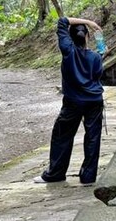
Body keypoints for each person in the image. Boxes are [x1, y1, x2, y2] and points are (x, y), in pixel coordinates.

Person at [34, 16, 105, 185]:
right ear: (87, 37)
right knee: (93, 137)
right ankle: (88, 177)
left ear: (70, 37)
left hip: (73, 101)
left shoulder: (68, 50)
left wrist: (88, 22)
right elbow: (97, 76)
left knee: (62, 136)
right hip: (94, 100)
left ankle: (56, 173)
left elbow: (62, 21)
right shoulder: (95, 57)